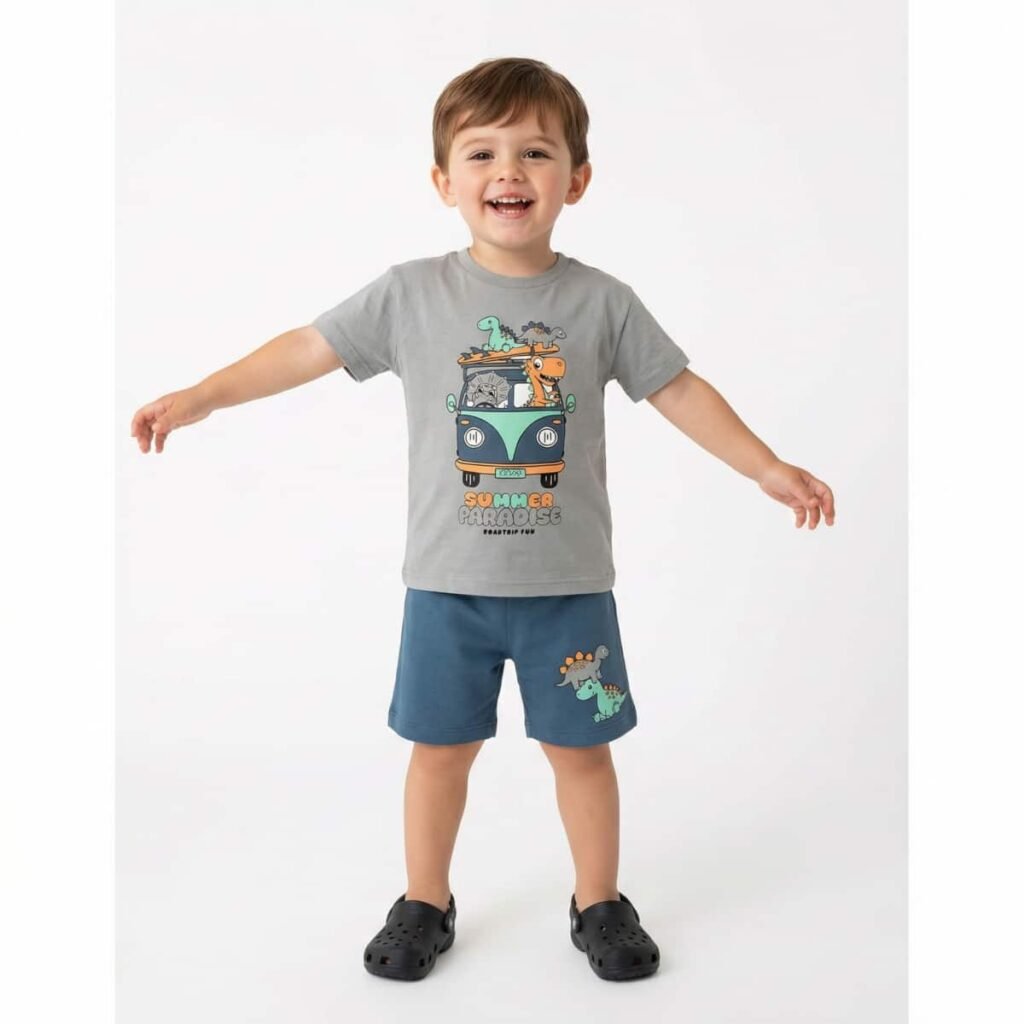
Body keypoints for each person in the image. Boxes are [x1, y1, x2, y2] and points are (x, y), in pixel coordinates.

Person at [130, 56, 836, 983]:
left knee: (582, 753)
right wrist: (203, 396)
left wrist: (765, 467)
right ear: (444, 181)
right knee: (438, 753)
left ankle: (599, 902)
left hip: (568, 590)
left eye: (536, 152)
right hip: (446, 588)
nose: (510, 171)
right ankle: (425, 900)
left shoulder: (602, 302)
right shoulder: (410, 294)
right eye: (483, 153)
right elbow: (307, 346)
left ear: (576, 180)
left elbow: (678, 389)